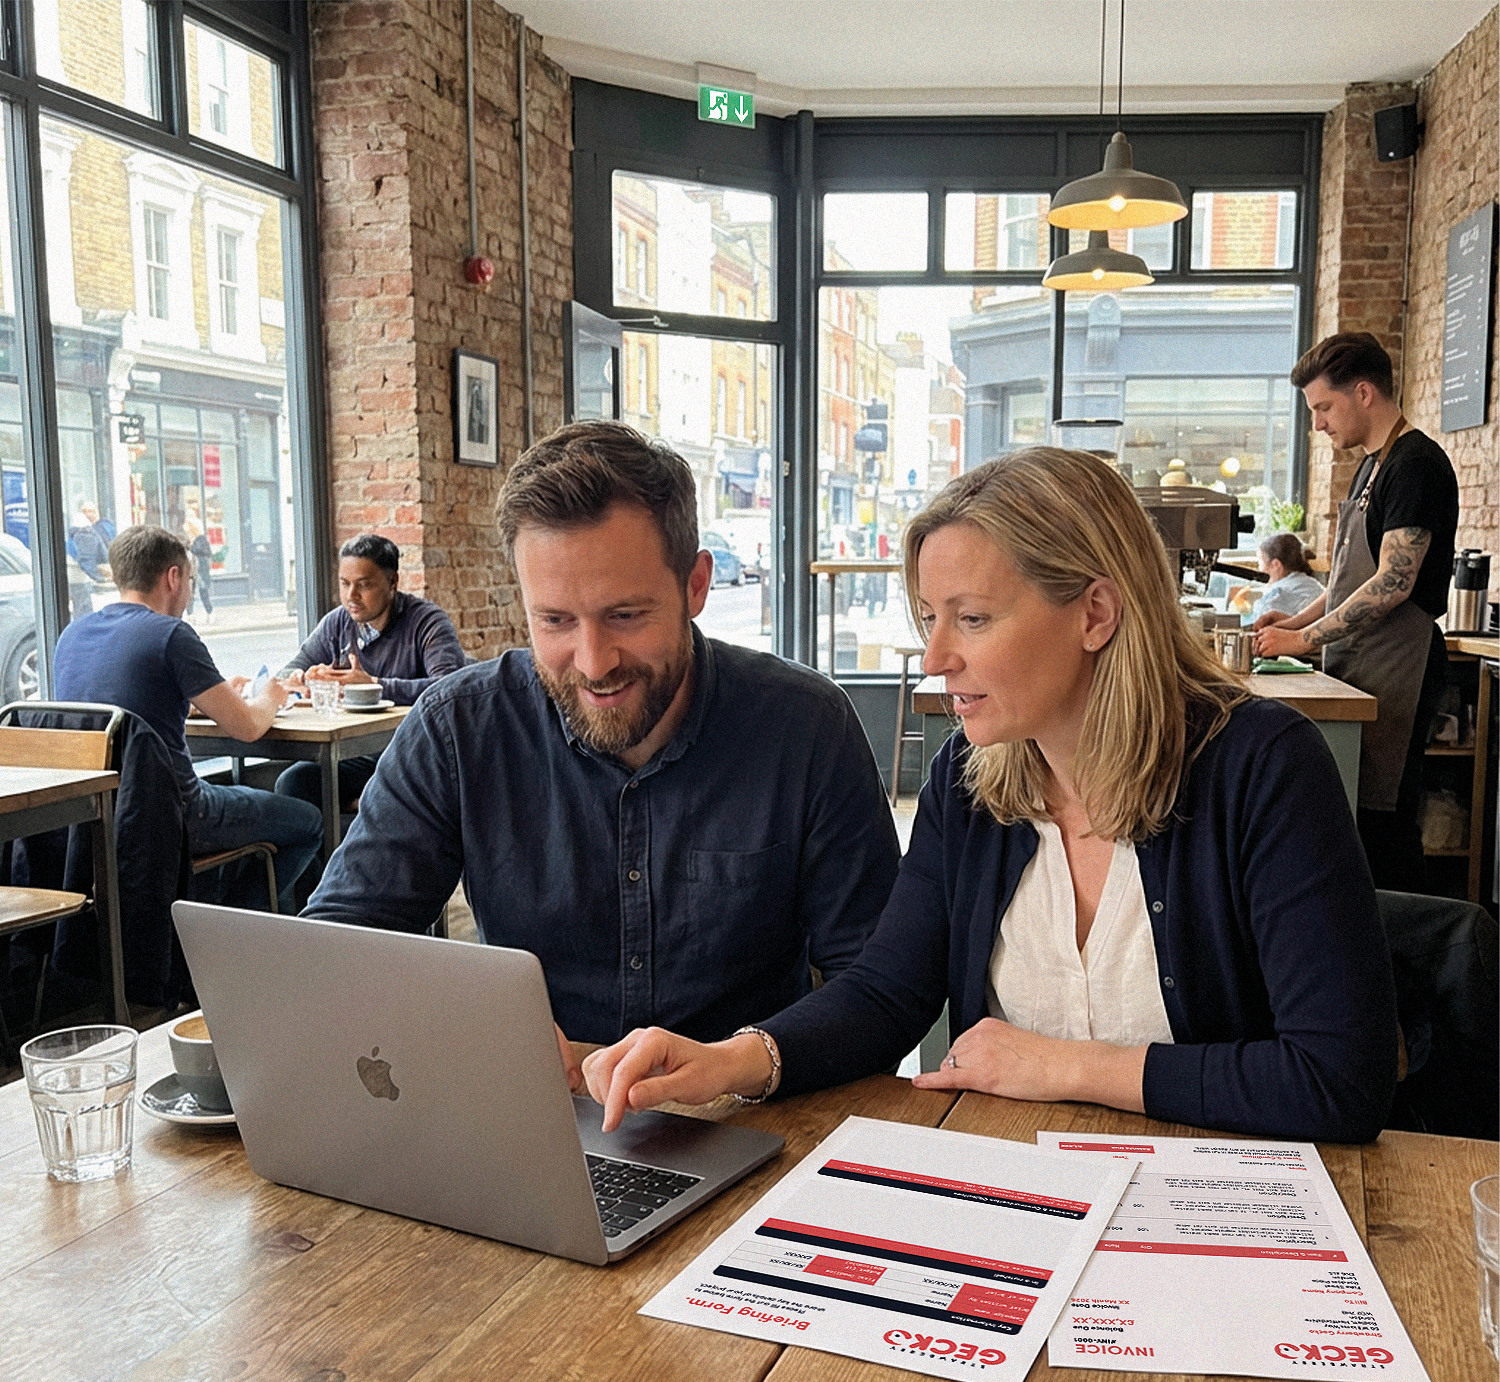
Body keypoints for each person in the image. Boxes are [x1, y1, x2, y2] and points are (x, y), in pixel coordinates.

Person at [583, 447, 1400, 1145]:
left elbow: (1339, 1077)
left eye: (971, 620)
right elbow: (887, 991)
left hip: (1229, 1222)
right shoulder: (970, 782)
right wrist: (736, 1059)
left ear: (1096, 613)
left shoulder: (1264, 770)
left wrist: (1065, 1066)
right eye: (931, 617)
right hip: (1027, 1197)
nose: (935, 657)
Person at [303, 421, 900, 1079]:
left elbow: (881, 988)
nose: (593, 663)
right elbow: (338, 950)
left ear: (696, 585)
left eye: (626, 616)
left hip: (752, 1120)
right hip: (534, 1119)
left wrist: (741, 1061)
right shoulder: (458, 728)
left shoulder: (805, 726)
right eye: (555, 620)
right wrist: (456, 1028)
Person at [1254, 332, 1458, 892]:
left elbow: (1392, 583)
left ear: (1363, 392)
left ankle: (1409, 960)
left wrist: (1305, 642)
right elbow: (1352, 582)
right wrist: (1292, 623)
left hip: (1400, 668)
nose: (1318, 424)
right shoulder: (1372, 465)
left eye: (1324, 407)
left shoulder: (1415, 464)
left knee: (1383, 827)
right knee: (1353, 820)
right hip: (1361, 664)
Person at [52, 525, 323, 911]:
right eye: (192, 579)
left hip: (100, 818)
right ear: (173, 577)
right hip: (176, 812)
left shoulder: (72, 634)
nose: (191, 590)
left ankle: (207, 926)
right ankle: (229, 935)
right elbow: (247, 727)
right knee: (309, 822)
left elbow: (125, 707)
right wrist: (271, 696)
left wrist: (201, 697)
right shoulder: (171, 634)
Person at [274, 533, 465, 810]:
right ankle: (350, 823)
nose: (351, 596)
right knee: (294, 782)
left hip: (412, 752)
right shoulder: (338, 622)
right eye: (345, 583)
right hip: (354, 750)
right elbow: (291, 668)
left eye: (363, 585)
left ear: (392, 582)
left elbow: (449, 688)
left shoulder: (427, 622)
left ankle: (367, 808)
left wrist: (373, 685)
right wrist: (301, 680)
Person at [1254, 532, 1324, 622]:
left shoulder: (1275, 598)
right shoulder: (1313, 584)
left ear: (1276, 564)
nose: (1259, 568)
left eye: (1260, 562)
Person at [182, 513, 214, 622]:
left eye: (188, 530)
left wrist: (191, 547)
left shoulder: (200, 540)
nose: (186, 532)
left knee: (203, 592)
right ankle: (191, 615)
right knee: (190, 593)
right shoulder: (190, 541)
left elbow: (203, 553)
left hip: (200, 570)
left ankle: (210, 613)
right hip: (192, 571)